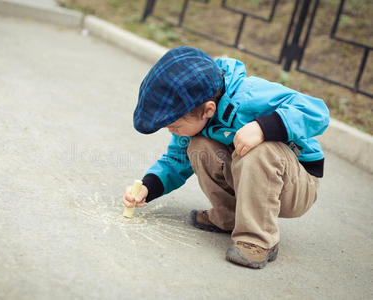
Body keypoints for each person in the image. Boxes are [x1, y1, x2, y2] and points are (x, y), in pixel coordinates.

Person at [122, 46, 329, 269]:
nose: (172, 131)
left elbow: (317, 111)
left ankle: (258, 240)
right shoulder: (197, 114)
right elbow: (175, 160)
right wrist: (147, 187)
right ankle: (228, 217)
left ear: (208, 110)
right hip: (252, 175)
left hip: (296, 184)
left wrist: (263, 127)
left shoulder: (250, 94)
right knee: (199, 146)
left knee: (259, 150)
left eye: (175, 125)